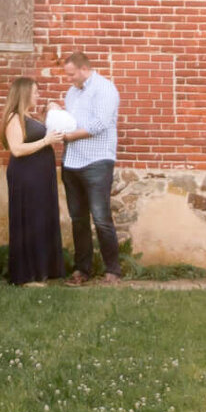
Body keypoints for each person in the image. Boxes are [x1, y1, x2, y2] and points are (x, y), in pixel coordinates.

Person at [58, 49, 121, 284]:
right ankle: (82, 270)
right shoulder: (72, 93)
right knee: (78, 219)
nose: (69, 79)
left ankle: (112, 270)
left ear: (85, 69)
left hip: (97, 162)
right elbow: (70, 122)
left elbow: (100, 123)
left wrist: (71, 136)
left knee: (101, 217)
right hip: (72, 162)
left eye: (72, 74)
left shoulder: (105, 89)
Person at [0, 76, 65, 286]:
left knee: (40, 221)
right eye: (35, 92)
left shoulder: (29, 117)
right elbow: (17, 149)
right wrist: (46, 140)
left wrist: (51, 114)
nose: (38, 95)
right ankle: (25, 276)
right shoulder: (13, 117)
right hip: (26, 176)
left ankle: (41, 271)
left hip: (39, 176)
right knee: (29, 221)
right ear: (24, 93)